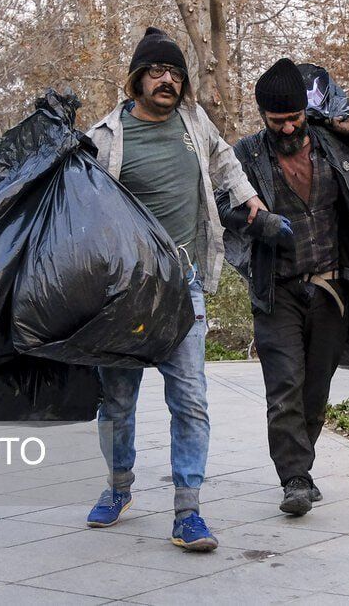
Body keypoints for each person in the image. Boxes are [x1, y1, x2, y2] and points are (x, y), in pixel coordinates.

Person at [84, 27, 265, 551]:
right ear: (137, 79)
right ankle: (118, 487)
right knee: (117, 401)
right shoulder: (107, 135)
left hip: (183, 288)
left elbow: (226, 159)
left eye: (176, 73)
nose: (168, 80)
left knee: (190, 399)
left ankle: (189, 510)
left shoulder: (193, 122)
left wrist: (247, 197)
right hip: (123, 292)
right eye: (158, 72)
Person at [216, 58, 349, 516]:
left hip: (333, 290)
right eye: (278, 120)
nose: (288, 126)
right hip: (278, 292)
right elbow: (218, 205)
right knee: (285, 385)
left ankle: (301, 465)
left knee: (315, 389)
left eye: (294, 117)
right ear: (263, 117)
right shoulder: (246, 155)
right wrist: (259, 222)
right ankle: (294, 477)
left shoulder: (333, 146)